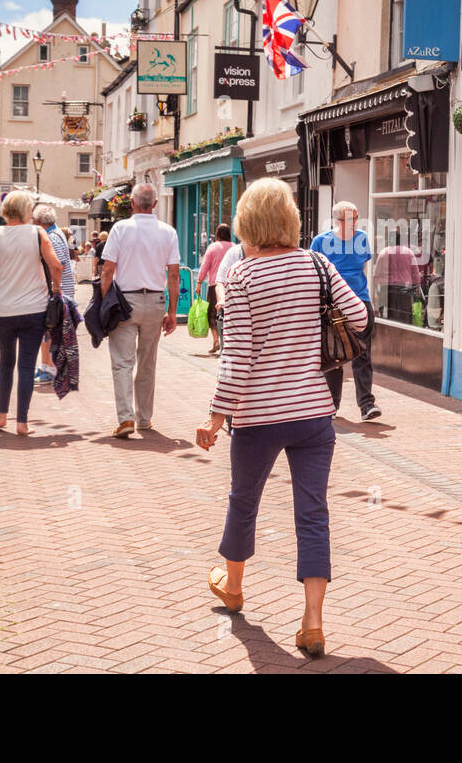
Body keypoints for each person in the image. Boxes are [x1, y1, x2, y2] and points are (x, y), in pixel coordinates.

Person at [195, 178, 367, 659]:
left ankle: (232, 588)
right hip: (314, 411)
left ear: (249, 223)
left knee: (243, 500)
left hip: (258, 415)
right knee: (312, 514)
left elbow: (238, 356)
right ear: (290, 219)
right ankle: (312, 622)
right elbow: (359, 318)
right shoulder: (319, 264)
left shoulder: (243, 277)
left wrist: (215, 416)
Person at [0, 190, 62, 436]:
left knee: (6, 362)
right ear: (27, 210)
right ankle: (22, 422)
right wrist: (56, 290)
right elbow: (56, 265)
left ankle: (0, 416)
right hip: (33, 309)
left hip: (3, 309)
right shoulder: (37, 233)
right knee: (27, 365)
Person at [99, 184, 181, 439]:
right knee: (147, 362)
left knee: (122, 363)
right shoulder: (168, 232)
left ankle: (126, 418)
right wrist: (171, 311)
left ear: (132, 203)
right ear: (155, 204)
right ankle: (144, 418)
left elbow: (107, 270)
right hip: (155, 302)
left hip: (126, 303)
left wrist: (104, 303)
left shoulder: (120, 229)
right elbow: (174, 274)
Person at [311, 201, 380, 421]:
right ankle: (332, 405)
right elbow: (314, 274)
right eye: (348, 219)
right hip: (333, 307)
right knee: (334, 355)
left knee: (363, 353)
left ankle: (367, 405)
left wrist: (368, 298)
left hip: (360, 302)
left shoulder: (362, 238)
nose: (353, 223)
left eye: (356, 217)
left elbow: (364, 270)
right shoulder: (320, 242)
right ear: (336, 221)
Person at [32, 206, 77, 384]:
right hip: (57, 290)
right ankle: (46, 366)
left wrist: (54, 288)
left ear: (38, 222)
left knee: (51, 331)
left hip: (57, 292)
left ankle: (51, 368)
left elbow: (59, 265)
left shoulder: (51, 237)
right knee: (48, 331)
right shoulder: (54, 233)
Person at [196, 224, 235, 356]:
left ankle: (216, 341)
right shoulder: (234, 247)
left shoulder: (212, 247)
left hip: (214, 285)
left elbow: (205, 266)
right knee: (228, 314)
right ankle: (226, 342)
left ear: (217, 234)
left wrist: (199, 282)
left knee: (212, 314)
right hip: (231, 285)